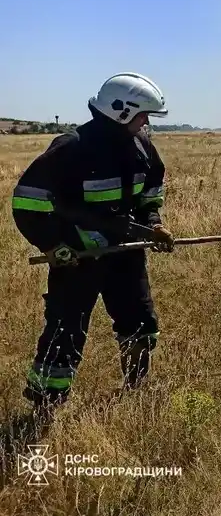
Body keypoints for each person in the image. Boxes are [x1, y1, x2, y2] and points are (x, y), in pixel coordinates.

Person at [10, 72, 176, 419]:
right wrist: (53, 246)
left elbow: (150, 194)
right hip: (77, 259)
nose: (147, 122)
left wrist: (154, 224)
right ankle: (45, 403)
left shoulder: (143, 147)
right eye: (143, 114)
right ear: (122, 111)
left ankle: (136, 388)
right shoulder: (71, 148)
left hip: (125, 255)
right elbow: (28, 203)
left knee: (141, 323)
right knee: (65, 330)